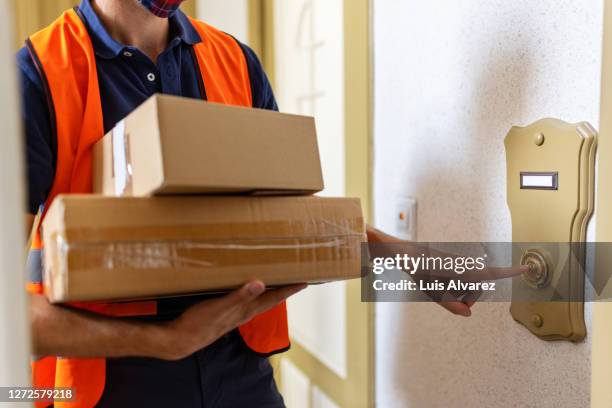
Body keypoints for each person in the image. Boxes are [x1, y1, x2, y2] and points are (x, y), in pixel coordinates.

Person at [18, 0, 516, 406]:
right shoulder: (38, 74)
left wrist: (405, 258)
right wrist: (164, 342)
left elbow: (279, 224)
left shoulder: (234, 61)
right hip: (107, 385)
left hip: (240, 374)